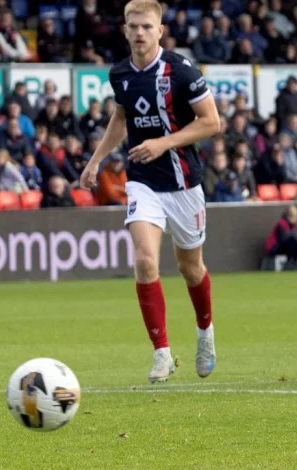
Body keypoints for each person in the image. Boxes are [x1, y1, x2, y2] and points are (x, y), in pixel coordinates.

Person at [79, 0, 221, 384]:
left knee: (191, 269)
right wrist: (96, 159)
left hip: (184, 182)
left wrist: (163, 142)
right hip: (142, 180)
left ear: (160, 31)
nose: (139, 33)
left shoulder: (183, 71)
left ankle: (205, 332)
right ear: (125, 30)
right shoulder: (120, 74)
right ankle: (161, 354)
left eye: (146, 26)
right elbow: (122, 117)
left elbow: (212, 122)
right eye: (132, 26)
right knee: (145, 260)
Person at [263, 205, 297, 270]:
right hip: (274, 248)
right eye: (294, 216)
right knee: (292, 242)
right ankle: (289, 264)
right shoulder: (282, 224)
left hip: (284, 247)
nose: (296, 218)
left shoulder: (294, 226)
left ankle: (293, 263)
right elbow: (282, 239)